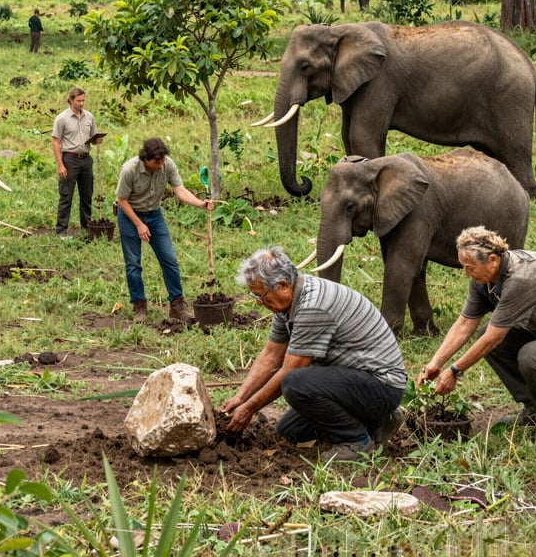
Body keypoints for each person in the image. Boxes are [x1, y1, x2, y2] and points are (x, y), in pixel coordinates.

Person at [222, 246, 407, 461]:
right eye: (254, 295)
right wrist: (240, 398)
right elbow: (271, 355)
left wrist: (248, 410)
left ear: (282, 285)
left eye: (261, 295)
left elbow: (290, 370)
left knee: (294, 382)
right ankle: (379, 421)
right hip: (354, 381)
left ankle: (356, 441)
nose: (258, 302)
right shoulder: (288, 304)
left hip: (382, 385)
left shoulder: (313, 306)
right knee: (289, 430)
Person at [418, 226, 536, 446]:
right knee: (487, 337)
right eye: (464, 267)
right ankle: (535, 410)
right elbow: (464, 324)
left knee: (533, 356)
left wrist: (454, 371)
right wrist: (435, 363)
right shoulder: (484, 280)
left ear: (492, 260)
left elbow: (494, 337)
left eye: (470, 267)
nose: (466, 273)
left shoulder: (522, 278)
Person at [115, 137, 211, 324]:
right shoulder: (129, 170)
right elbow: (122, 201)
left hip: (154, 215)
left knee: (169, 259)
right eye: (156, 162)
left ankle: (177, 306)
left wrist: (201, 204)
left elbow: (180, 190)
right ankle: (139, 306)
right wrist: (138, 224)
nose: (160, 165)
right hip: (129, 215)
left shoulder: (167, 165)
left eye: (162, 161)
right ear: (146, 159)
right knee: (133, 263)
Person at [51, 87, 102, 238]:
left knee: (87, 195)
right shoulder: (62, 118)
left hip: (86, 159)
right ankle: (61, 230)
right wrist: (60, 165)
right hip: (69, 159)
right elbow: (55, 142)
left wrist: (97, 140)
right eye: (78, 101)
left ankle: (86, 228)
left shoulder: (89, 117)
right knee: (66, 196)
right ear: (71, 100)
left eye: (83, 100)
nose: (81, 104)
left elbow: (93, 137)